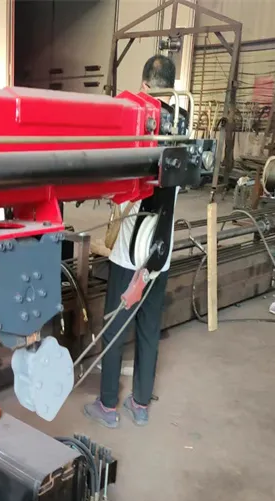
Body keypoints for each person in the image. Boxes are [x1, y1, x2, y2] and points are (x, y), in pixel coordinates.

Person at [84, 55, 178, 429]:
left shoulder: (139, 123)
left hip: (131, 254)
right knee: (148, 329)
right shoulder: (181, 125)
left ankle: (108, 406)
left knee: (115, 329)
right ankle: (140, 404)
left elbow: (121, 186)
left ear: (144, 84)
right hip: (161, 254)